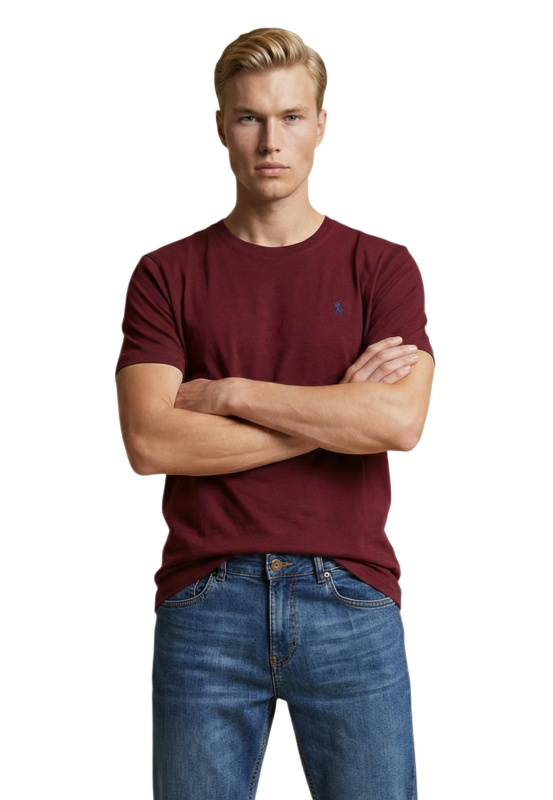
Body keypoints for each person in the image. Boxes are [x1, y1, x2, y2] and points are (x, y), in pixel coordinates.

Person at [115, 27, 434, 800]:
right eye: (249, 118)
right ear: (221, 126)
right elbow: (151, 440)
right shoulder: (165, 275)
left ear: (320, 125)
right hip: (206, 598)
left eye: (290, 117)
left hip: (350, 593)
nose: (270, 140)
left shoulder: (380, 267)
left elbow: (397, 423)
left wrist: (230, 393)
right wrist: (335, 414)